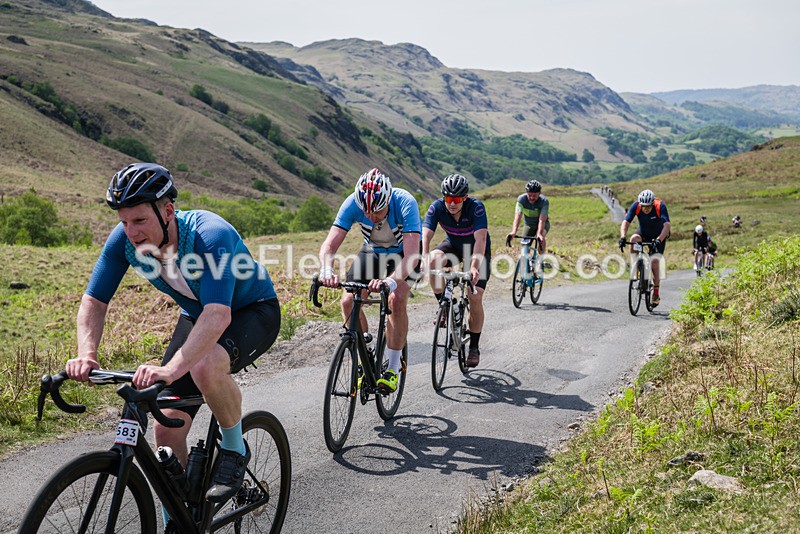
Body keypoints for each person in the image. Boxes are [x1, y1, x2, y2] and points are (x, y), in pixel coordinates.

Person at [66, 163, 281, 509]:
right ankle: (179, 517)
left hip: (252, 311)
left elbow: (218, 314)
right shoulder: (124, 241)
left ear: (167, 211)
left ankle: (234, 450)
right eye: (124, 221)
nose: (130, 232)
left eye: (139, 221)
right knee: (166, 427)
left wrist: (170, 370)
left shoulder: (210, 236)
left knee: (205, 366)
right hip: (198, 315)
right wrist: (86, 353)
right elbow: (94, 300)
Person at [319, 168, 421, 392]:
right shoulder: (352, 203)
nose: (372, 217)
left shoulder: (405, 202)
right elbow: (330, 245)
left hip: (404, 256)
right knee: (348, 302)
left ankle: (393, 367)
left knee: (396, 299)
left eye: (378, 212)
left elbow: (413, 255)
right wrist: (326, 270)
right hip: (373, 252)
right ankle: (366, 353)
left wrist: (391, 282)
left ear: (388, 199)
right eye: (366, 213)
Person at [423, 173, 491, 367]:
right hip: (453, 245)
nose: (452, 203)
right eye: (448, 198)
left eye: (456, 199)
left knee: (474, 295)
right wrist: (423, 256)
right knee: (432, 262)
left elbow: (481, 240)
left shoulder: (476, 208)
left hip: (477, 251)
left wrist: (474, 268)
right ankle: (444, 307)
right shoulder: (437, 207)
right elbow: (426, 235)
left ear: (465, 198)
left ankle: (474, 347)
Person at [618, 189, 671, 306]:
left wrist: (659, 240)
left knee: (654, 264)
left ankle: (656, 293)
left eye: (648, 207)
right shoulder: (636, 206)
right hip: (644, 233)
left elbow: (667, 225)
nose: (646, 210)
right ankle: (636, 267)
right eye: (643, 207)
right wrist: (622, 237)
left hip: (658, 236)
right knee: (633, 240)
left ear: (652, 204)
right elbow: (626, 222)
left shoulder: (660, 206)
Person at [506, 179, 550, 280]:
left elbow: (542, 220)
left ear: (539, 193)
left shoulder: (544, 201)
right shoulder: (521, 199)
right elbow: (518, 216)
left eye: (534, 195)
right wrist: (513, 232)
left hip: (542, 224)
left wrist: (539, 234)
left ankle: (540, 260)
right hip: (529, 225)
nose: (532, 198)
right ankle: (526, 269)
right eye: (529, 195)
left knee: (541, 238)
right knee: (524, 247)